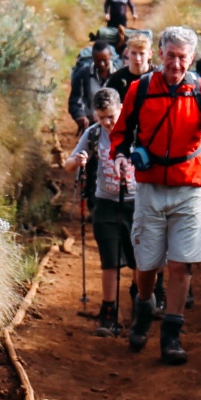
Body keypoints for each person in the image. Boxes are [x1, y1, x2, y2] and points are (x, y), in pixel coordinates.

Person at [111, 25, 201, 363]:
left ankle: (171, 335)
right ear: (160, 54)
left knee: (181, 264)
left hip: (190, 186)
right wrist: (120, 158)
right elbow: (120, 133)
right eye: (170, 56)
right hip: (150, 185)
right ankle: (144, 308)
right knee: (147, 266)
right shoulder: (140, 89)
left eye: (182, 58)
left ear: (191, 58)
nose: (175, 64)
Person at [65, 86, 138, 336]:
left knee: (139, 258)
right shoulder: (93, 134)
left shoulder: (135, 130)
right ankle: (109, 311)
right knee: (109, 259)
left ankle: (140, 303)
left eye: (111, 116)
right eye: (101, 117)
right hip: (105, 202)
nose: (107, 122)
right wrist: (78, 161)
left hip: (137, 202)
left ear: (121, 110)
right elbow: (68, 163)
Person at [67, 42, 117, 131]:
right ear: (93, 58)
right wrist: (80, 116)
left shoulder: (119, 74)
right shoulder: (83, 74)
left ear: (110, 56)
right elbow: (75, 101)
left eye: (104, 60)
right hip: (91, 125)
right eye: (98, 61)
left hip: (115, 125)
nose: (101, 64)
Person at [107, 34, 151, 106]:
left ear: (150, 54)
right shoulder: (116, 79)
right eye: (133, 53)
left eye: (142, 54)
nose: (137, 58)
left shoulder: (159, 76)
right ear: (127, 53)